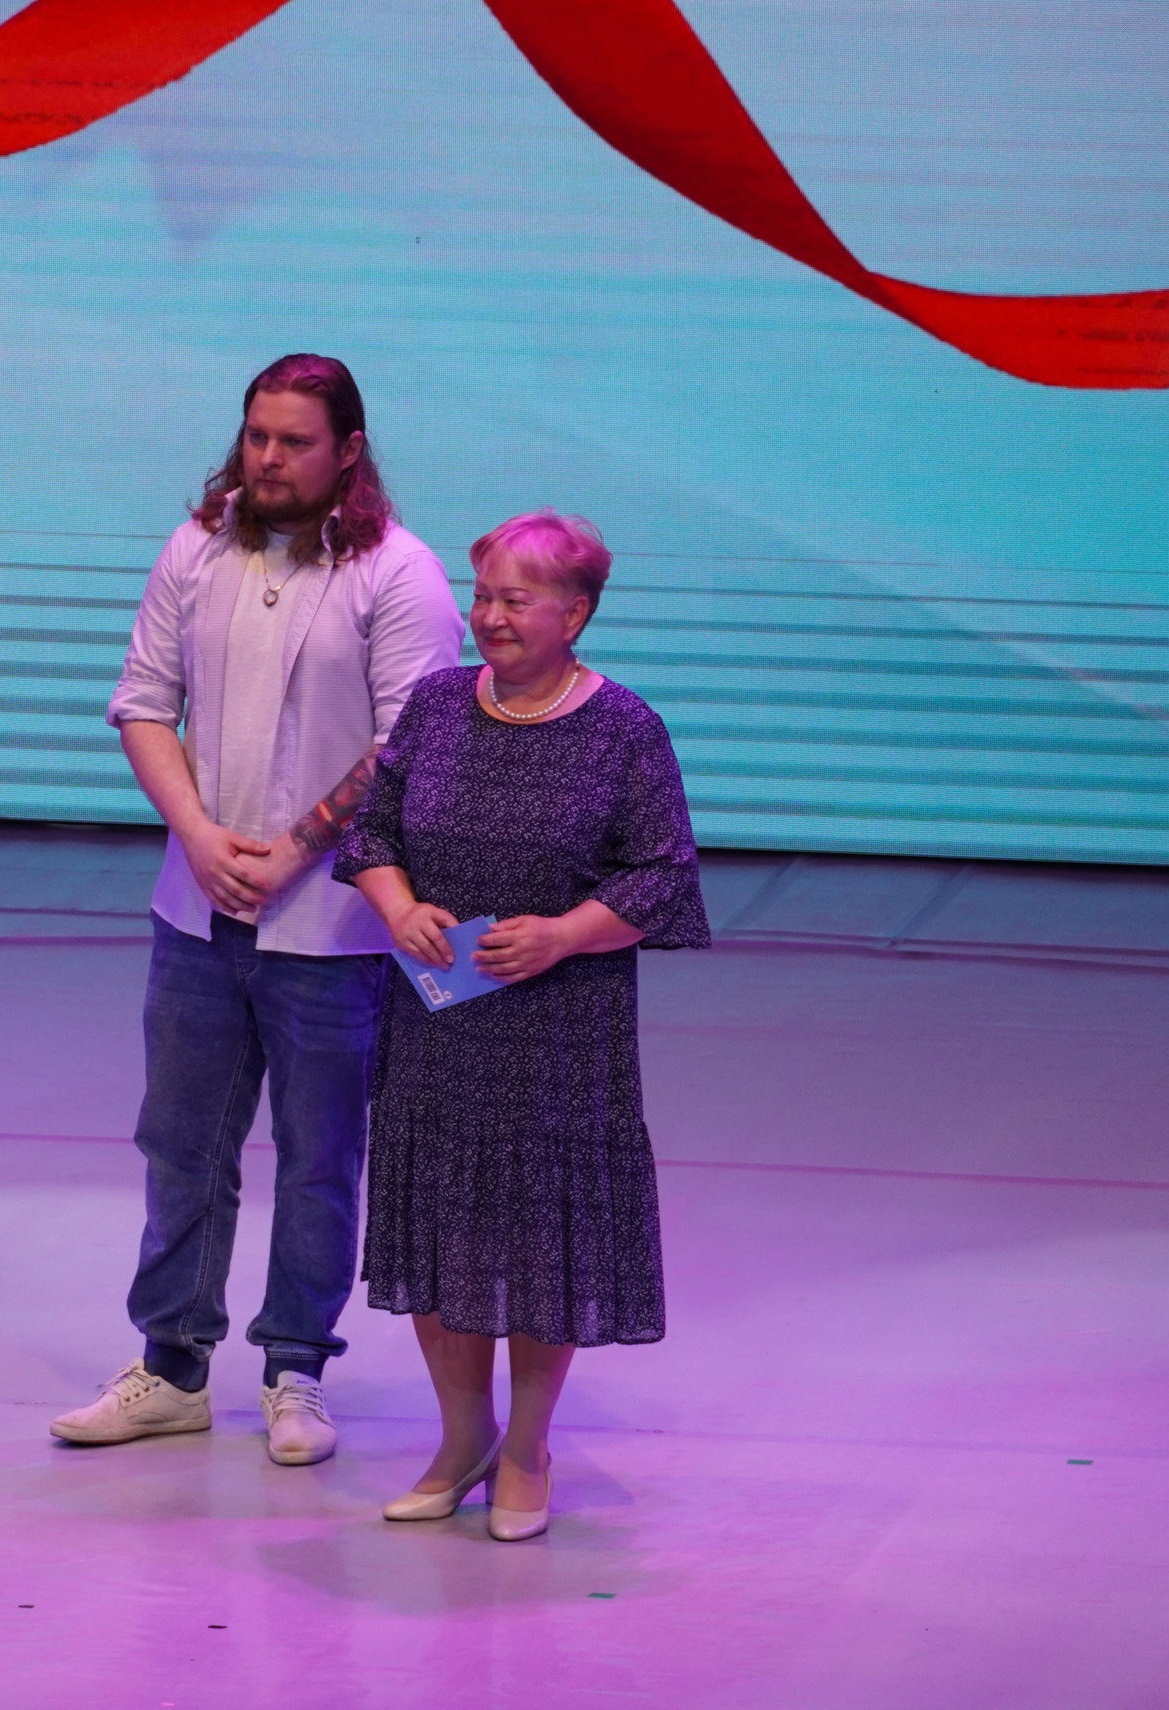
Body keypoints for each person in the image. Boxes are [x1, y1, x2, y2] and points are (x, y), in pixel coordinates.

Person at [57, 354, 462, 1465]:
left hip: (332, 932)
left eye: (294, 442)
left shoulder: (400, 574)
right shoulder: (195, 547)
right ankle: (172, 1365)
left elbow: (408, 746)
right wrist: (197, 835)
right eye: (256, 436)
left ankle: (295, 1371)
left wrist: (292, 852)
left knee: (318, 1156)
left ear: (349, 452)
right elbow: (144, 704)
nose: (269, 460)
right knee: (180, 1144)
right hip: (195, 915)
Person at [333, 509, 708, 1538]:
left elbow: (661, 875)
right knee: (442, 1225)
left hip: (561, 1030)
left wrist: (563, 936)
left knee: (543, 1235)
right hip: (439, 1024)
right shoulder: (435, 705)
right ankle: (462, 1439)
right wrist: (398, 907)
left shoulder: (624, 729)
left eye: (516, 600)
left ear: (574, 614)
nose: (490, 617)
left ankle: (528, 1450)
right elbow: (372, 832)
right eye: (483, 596)